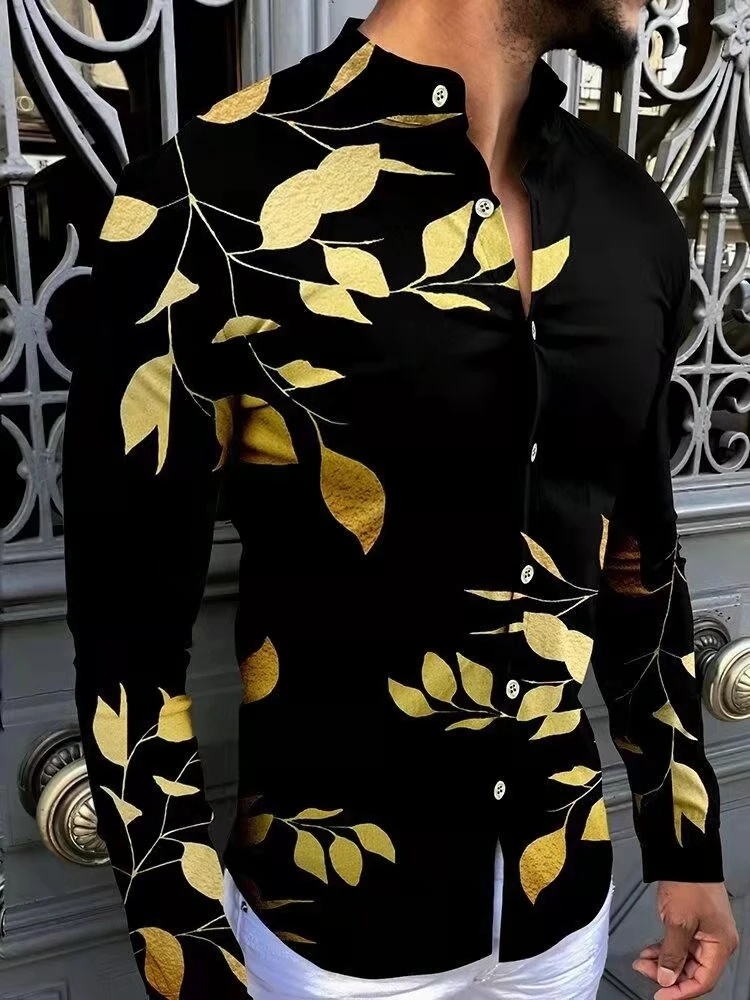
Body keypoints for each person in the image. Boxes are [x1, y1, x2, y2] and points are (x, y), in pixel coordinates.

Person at [61, 0, 740, 998]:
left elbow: (639, 563)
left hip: (562, 919)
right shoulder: (208, 197)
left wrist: (686, 845)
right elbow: (128, 633)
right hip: (328, 938)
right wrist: (188, 963)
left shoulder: (632, 221)